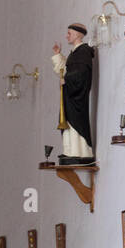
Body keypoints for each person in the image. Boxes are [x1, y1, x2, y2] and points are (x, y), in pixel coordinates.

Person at [52, 23, 95, 165]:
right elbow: (66, 69)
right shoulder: (75, 53)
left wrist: (67, 80)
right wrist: (58, 55)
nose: (67, 36)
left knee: (76, 122)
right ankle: (70, 151)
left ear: (77, 35)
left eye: (69, 33)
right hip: (70, 94)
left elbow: (82, 73)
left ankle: (79, 152)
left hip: (77, 95)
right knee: (69, 121)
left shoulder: (83, 51)